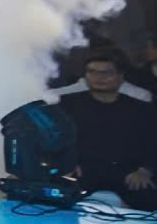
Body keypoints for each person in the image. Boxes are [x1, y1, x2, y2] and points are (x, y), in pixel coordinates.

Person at [56, 49, 157, 207]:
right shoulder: (68, 105)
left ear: (121, 75)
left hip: (128, 173)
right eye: (92, 72)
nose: (98, 78)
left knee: (148, 199)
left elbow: (152, 144)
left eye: (106, 73)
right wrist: (66, 162)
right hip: (83, 170)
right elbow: (54, 139)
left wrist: (145, 170)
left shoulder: (141, 110)